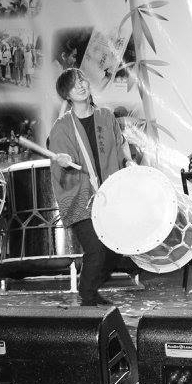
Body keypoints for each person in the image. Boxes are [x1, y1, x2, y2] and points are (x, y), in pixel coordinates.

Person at [47, 68, 129, 306]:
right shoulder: (62, 126)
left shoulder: (106, 116)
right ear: (67, 95)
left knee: (114, 250)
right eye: (74, 85)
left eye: (82, 80)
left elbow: (120, 145)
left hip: (109, 193)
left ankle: (90, 287)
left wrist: (129, 161)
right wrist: (63, 161)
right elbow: (60, 160)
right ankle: (88, 296)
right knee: (96, 250)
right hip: (81, 197)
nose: (81, 86)